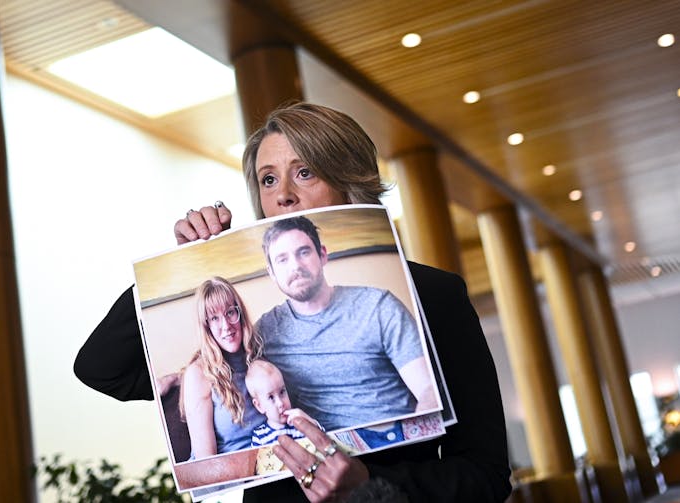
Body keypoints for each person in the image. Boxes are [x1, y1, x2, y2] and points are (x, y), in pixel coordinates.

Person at [74, 102, 512, 502]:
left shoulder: (431, 297)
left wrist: (371, 489)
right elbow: (103, 369)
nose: (282, 193)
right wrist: (177, 264)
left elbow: (485, 475)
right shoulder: (254, 332)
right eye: (268, 179)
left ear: (349, 180)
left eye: (305, 172)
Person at [258, 215, 438, 432]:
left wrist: (421, 435)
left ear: (322, 255)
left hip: (395, 441)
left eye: (303, 252)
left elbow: (428, 388)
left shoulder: (378, 306)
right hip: (325, 452)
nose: (295, 266)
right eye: (282, 260)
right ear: (272, 273)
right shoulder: (265, 332)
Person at [179, 277, 264, 458]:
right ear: (206, 326)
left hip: (269, 466)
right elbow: (206, 460)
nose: (226, 326)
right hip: (228, 476)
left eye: (230, 313)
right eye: (214, 318)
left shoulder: (259, 357)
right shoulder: (198, 374)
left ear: (240, 313)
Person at [244, 359, 320, 447]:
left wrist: (311, 423)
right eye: (271, 397)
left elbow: (324, 441)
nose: (280, 403)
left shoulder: (300, 424)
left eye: (282, 392)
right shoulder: (260, 437)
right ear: (259, 406)